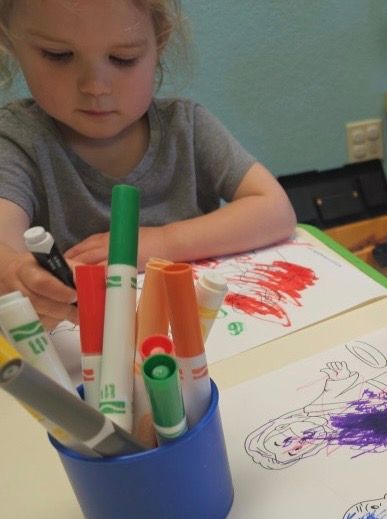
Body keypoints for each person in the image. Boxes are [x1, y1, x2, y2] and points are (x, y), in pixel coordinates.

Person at [0, 0, 296, 328]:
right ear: (11, 42)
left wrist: (161, 242)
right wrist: (14, 272)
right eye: (58, 55)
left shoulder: (188, 127)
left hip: (204, 336)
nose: (95, 87)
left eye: (123, 58)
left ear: (159, 44)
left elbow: (275, 210)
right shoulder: (18, 141)